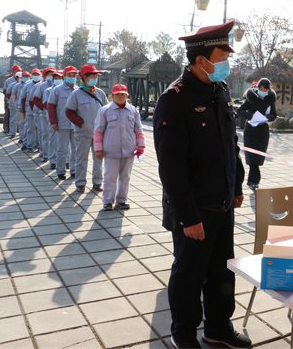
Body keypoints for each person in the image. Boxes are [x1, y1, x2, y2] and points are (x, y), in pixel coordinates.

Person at [153, 20, 250, 349]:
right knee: (189, 274)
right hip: (195, 208)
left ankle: (218, 327)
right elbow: (171, 167)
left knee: (222, 271)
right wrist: (188, 216)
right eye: (222, 57)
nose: (227, 64)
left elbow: (230, 144)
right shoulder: (174, 99)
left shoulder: (218, 91)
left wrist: (236, 186)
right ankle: (183, 333)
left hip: (222, 202)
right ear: (200, 60)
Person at [94, 83, 145, 211]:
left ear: (127, 96)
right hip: (111, 151)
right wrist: (98, 149)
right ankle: (107, 201)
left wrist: (141, 146)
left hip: (129, 150)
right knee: (110, 177)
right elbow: (98, 131)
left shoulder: (133, 110)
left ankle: (122, 200)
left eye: (123, 94)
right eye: (117, 94)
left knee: (125, 177)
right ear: (112, 96)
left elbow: (138, 129)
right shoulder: (104, 110)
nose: (120, 96)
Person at [66, 64, 108, 194]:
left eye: (96, 76)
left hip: (98, 134)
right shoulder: (76, 94)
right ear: (84, 77)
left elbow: (107, 110)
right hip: (82, 133)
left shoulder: (100, 93)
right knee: (81, 159)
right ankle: (80, 183)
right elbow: (69, 112)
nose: (95, 79)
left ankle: (97, 183)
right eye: (92, 76)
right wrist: (80, 123)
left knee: (98, 159)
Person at [236, 77, 277, 191]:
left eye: (265, 90)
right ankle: (253, 181)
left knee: (258, 158)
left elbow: (274, 115)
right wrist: (252, 116)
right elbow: (239, 111)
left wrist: (267, 117)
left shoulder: (270, 99)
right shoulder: (251, 98)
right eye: (261, 89)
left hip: (263, 131)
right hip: (251, 130)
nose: (263, 91)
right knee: (252, 158)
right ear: (258, 88)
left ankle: (252, 181)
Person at [48, 65, 78, 180]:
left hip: (76, 125)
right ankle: (60, 171)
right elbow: (51, 106)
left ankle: (74, 170)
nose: (72, 77)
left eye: (74, 75)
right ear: (64, 76)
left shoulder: (78, 90)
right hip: (62, 124)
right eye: (69, 75)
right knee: (62, 149)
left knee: (75, 149)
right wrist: (53, 122)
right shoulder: (57, 90)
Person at [32, 67, 56, 162]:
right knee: (45, 134)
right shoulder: (41, 86)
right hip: (44, 114)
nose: (51, 76)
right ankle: (45, 154)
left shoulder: (59, 86)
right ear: (45, 76)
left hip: (55, 115)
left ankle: (54, 155)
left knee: (54, 137)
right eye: (49, 75)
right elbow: (36, 99)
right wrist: (43, 108)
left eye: (53, 75)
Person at [2, 65, 22, 133]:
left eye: (19, 71)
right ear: (13, 72)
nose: (18, 72)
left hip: (19, 101)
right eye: (17, 71)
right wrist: (8, 99)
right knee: (9, 114)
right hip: (9, 100)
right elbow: (5, 91)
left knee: (19, 116)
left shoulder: (23, 79)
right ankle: (7, 128)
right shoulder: (9, 80)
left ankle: (17, 129)